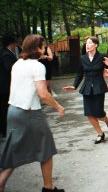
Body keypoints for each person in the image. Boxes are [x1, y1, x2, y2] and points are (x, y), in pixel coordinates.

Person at [0, 34, 65, 192]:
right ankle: (48, 188)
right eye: (43, 46)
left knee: (12, 154)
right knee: (46, 149)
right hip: (30, 112)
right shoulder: (38, 66)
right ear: (36, 48)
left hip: (13, 111)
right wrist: (58, 106)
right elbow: (43, 94)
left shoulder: (18, 64)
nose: (45, 49)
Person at [63, 36, 108, 144]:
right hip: (86, 89)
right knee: (89, 113)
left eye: (90, 43)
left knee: (99, 113)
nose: (87, 45)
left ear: (96, 45)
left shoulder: (102, 57)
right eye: (86, 43)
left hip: (99, 87)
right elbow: (79, 74)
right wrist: (74, 86)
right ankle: (100, 133)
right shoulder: (83, 58)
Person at [0, 32, 18, 138]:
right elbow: (10, 68)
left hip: (4, 86)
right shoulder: (6, 54)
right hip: (5, 87)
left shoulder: (4, 52)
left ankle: (4, 130)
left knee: (4, 109)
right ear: (11, 43)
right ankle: (5, 130)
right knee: (5, 109)